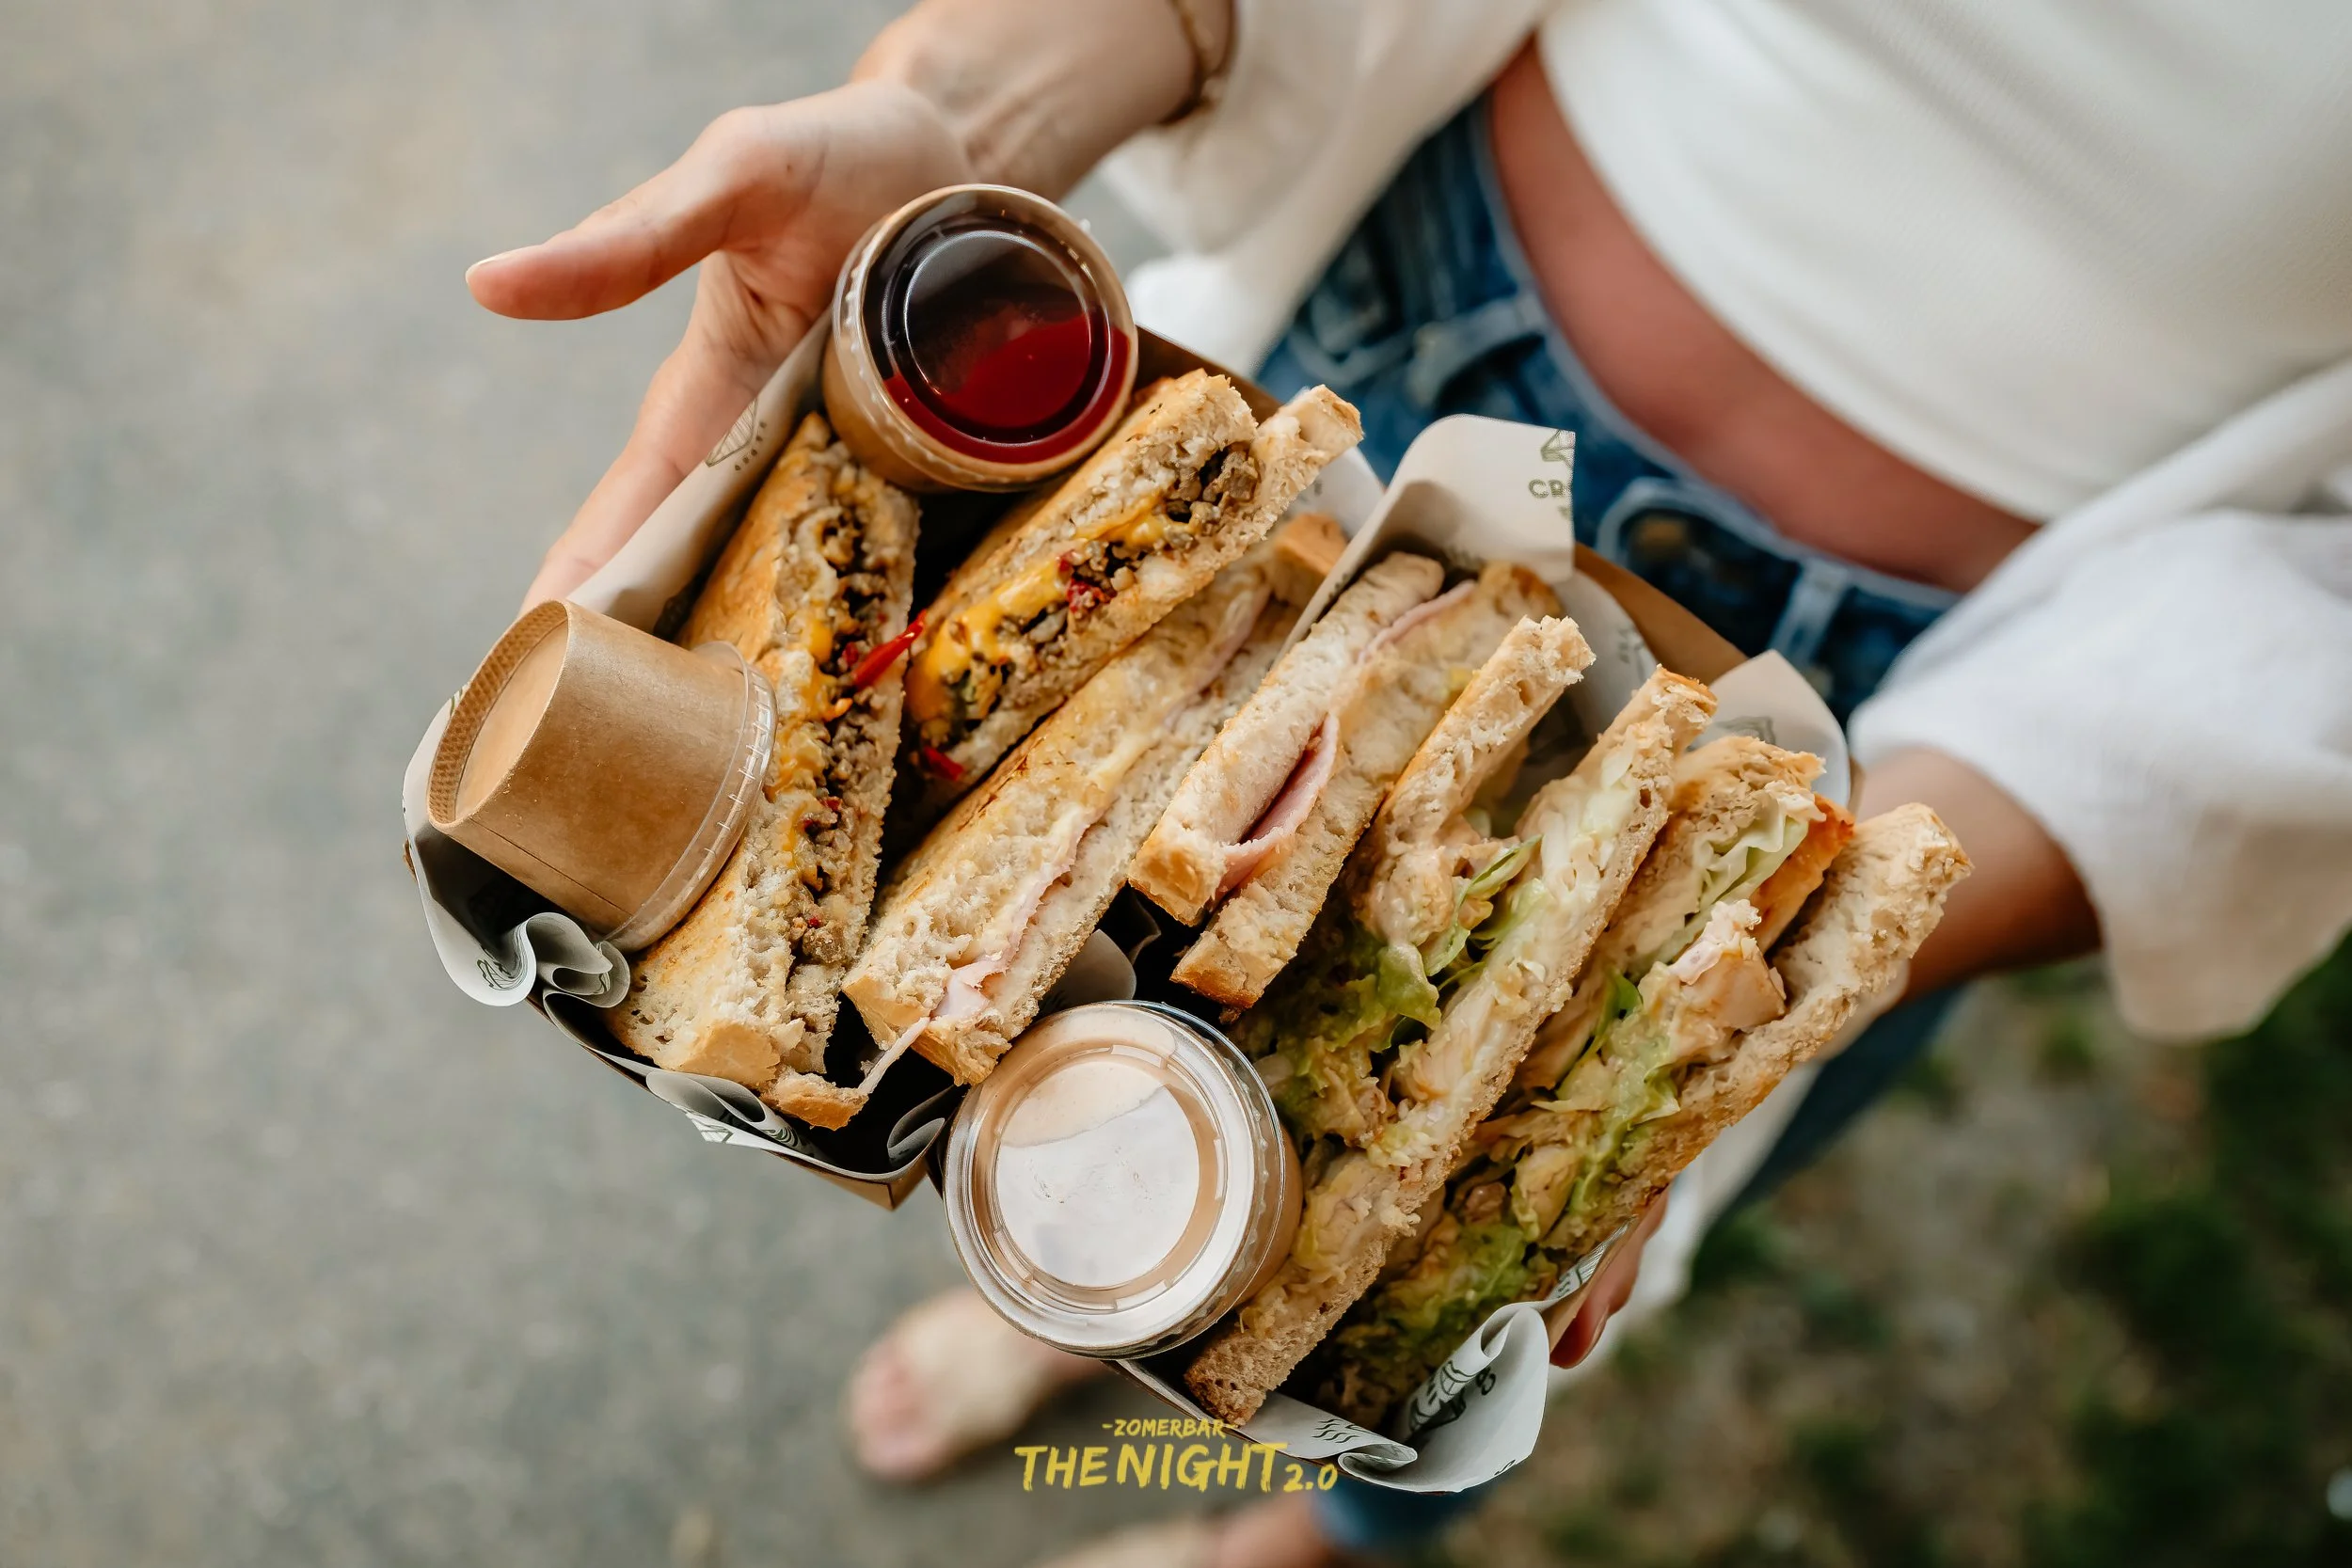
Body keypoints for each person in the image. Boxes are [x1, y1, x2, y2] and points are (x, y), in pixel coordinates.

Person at [467, 2, 2352, 1561]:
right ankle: (1047, 1273)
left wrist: (1837, 911)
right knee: (1066, 1064)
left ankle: (1277, 1546)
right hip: (1392, 323)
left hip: (1955, 679)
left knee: (1456, 1282)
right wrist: (959, 104)